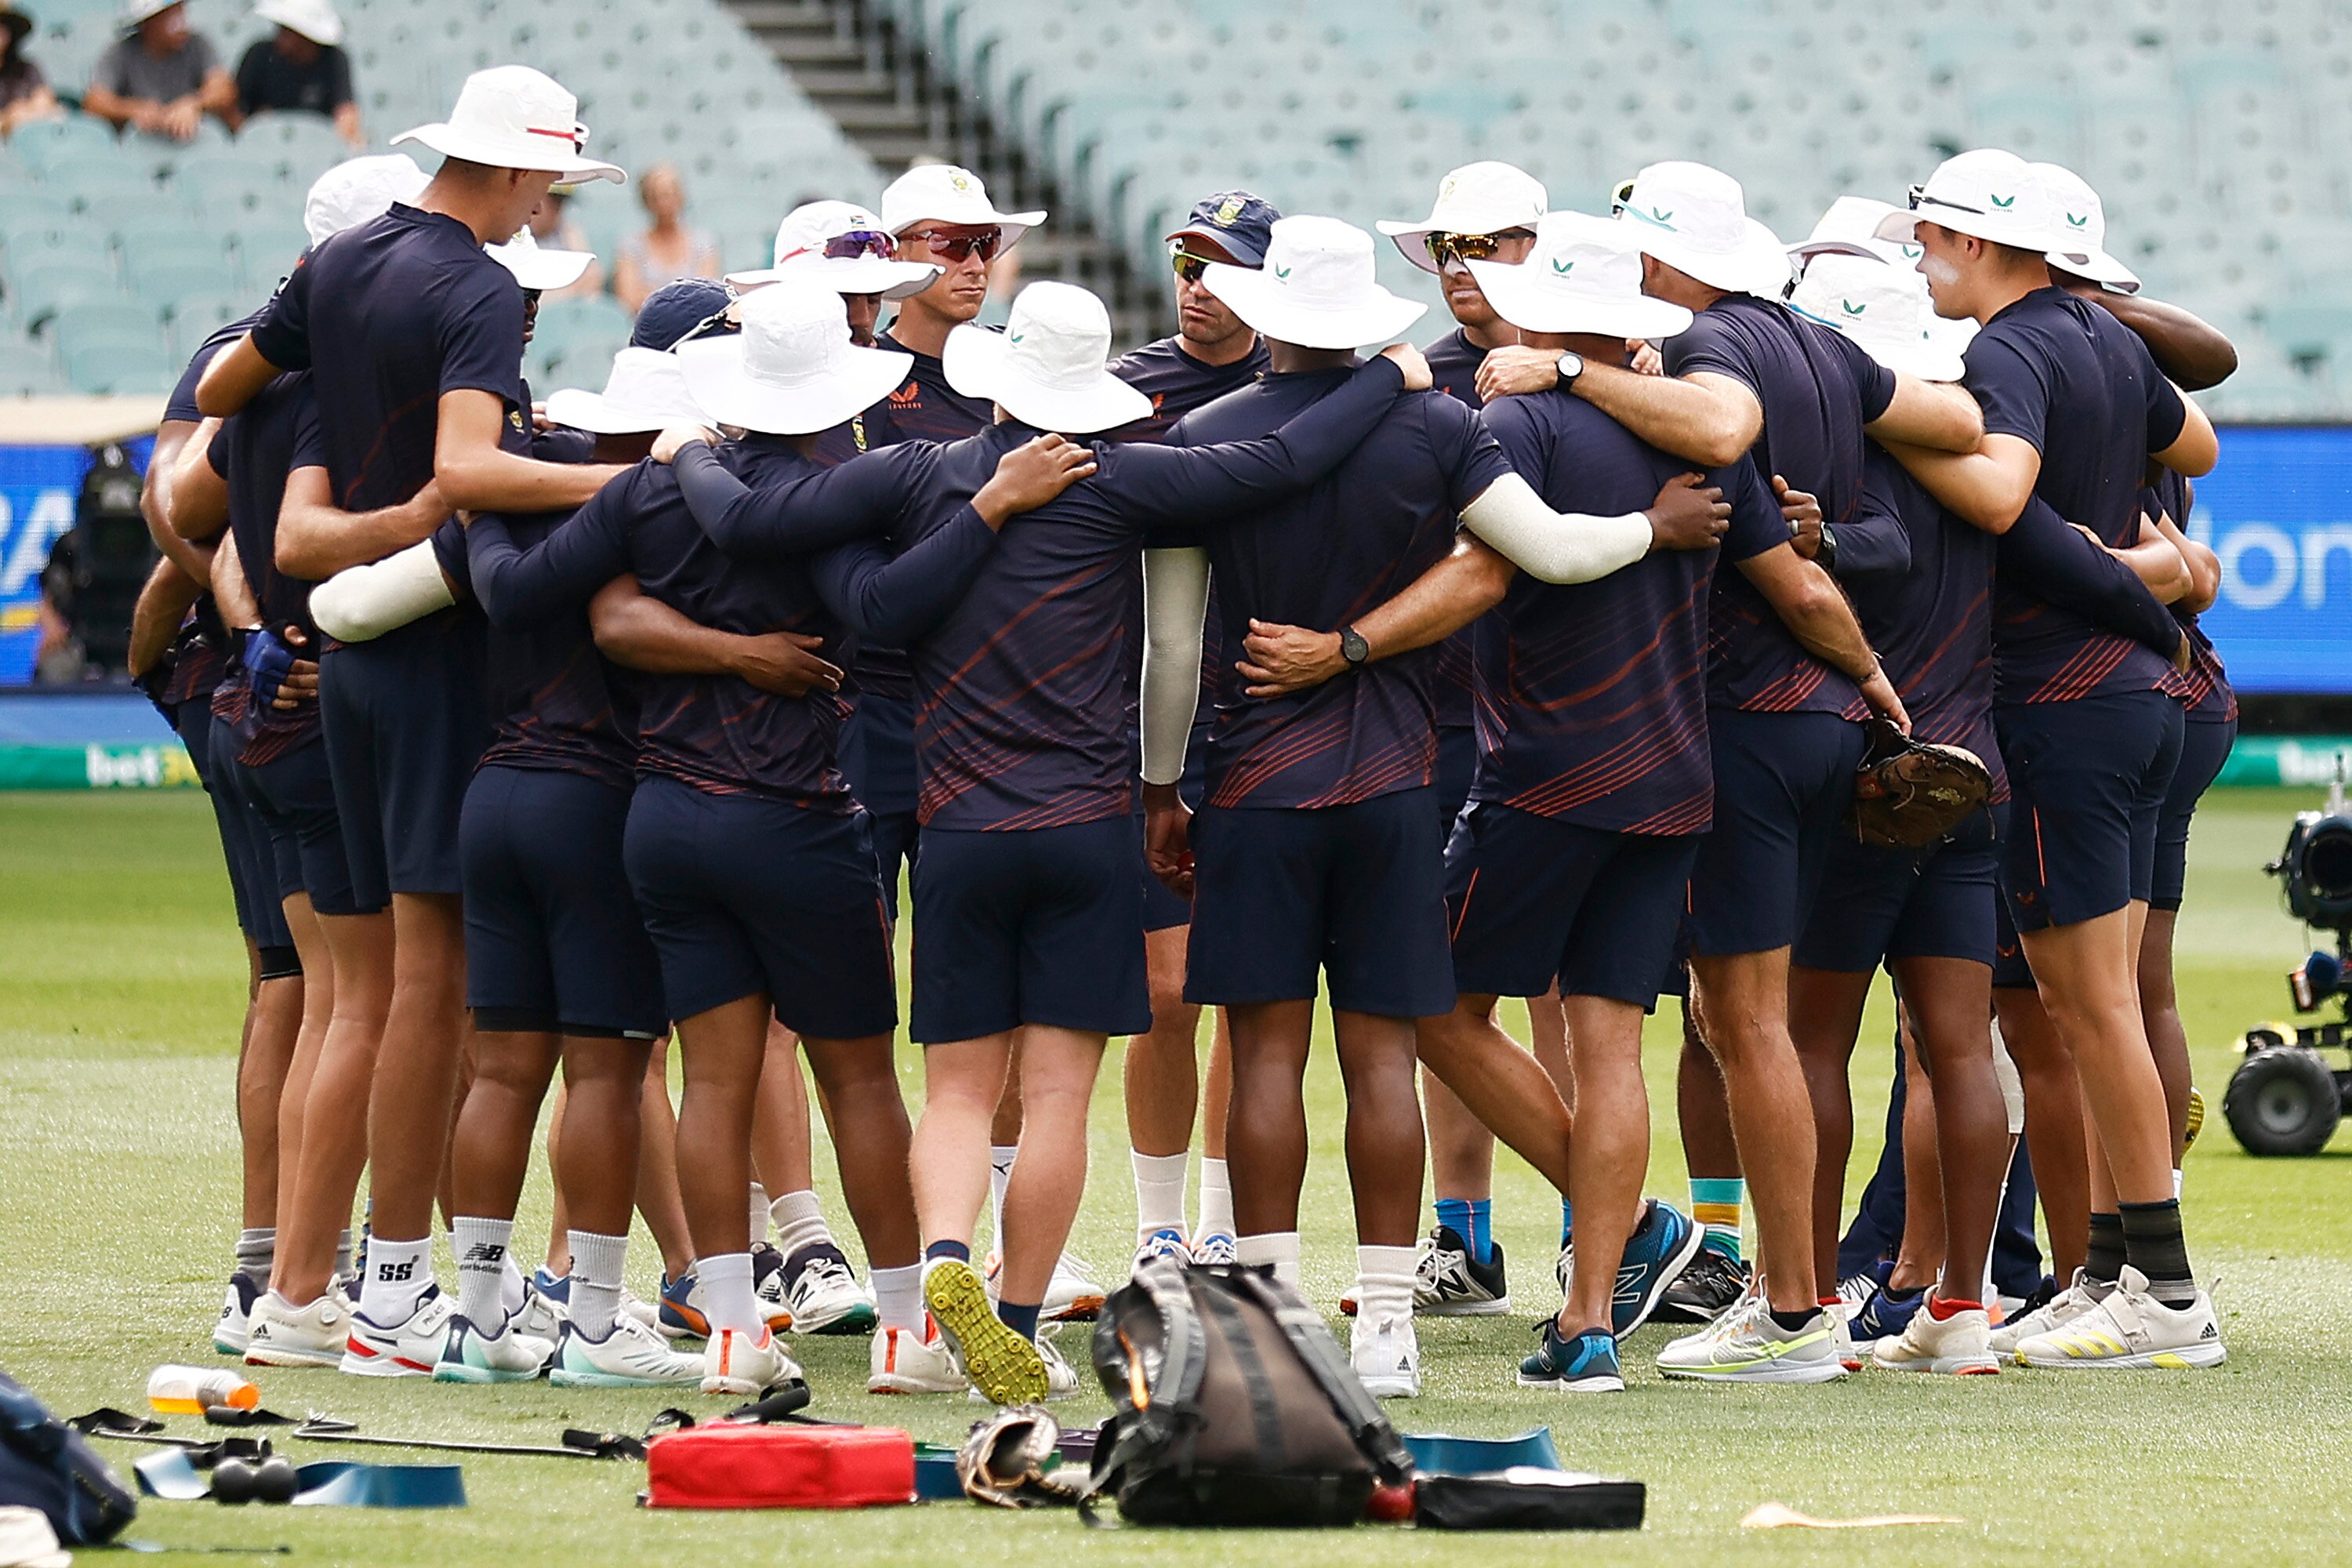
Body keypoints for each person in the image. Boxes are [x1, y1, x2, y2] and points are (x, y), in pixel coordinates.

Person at [665, 278, 1422, 1403]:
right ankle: (1017, 1321)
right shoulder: (1119, 481)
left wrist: (691, 448)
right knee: (1060, 1096)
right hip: (1083, 827)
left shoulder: (916, 476)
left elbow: (769, 527)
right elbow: (1280, 464)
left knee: (963, 1094)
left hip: (961, 825)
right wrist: (1383, 376)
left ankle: (944, 1277)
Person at [470, 280, 1094, 1398]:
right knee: (858, 1080)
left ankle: (732, 1337)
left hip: (663, 814)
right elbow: (887, 602)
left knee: (711, 1085)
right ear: (835, 397)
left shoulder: (652, 491)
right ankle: (906, 1335)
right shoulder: (840, 496)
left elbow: (528, 600)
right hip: (798, 815)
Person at [1138, 216, 1719, 1398]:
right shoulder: (1439, 427)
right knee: (1382, 1060)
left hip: (1253, 780)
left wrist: (1161, 789)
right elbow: (1536, 556)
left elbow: (1171, 650)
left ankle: (1270, 1311)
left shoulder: (1201, 437)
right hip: (1396, 780)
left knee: (1261, 1057)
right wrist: (1651, 528)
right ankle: (1388, 1330)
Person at [1477, 162, 1978, 1381]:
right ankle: (1791, 1298)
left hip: (1732, 716)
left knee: (1738, 1023)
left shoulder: (1704, 352)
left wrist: (1566, 368)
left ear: (1656, 265)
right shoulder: (1821, 342)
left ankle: (1791, 1310)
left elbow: (1735, 473)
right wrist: (1869, 684)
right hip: (1818, 715)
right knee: (1769, 1024)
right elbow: (1952, 432)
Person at [198, 67, 631, 1376]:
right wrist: (639, 472)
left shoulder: (341, 265)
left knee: (361, 998)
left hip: (351, 661)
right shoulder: (477, 285)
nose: (545, 203)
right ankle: (391, 1297)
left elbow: (224, 393)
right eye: (548, 181)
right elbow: (468, 470)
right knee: (425, 994)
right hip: (437, 655)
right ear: (511, 171)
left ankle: (299, 1292)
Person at [1875, 151, 2223, 1369]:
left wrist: (1890, 422)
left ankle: (2165, 1296)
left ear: (1983, 244)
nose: (1921, 259)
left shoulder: (2010, 348)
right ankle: (2116, 1268)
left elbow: (2001, 488)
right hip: (2137, 699)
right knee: (2104, 1000)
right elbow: (2204, 449)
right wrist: (2153, 572)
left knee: (2093, 1008)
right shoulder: (2114, 341)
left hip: (2064, 703)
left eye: (1931, 237)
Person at [1370, 158, 1559, 1319]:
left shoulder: (1614, 372)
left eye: (1486, 245)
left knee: (1575, 999)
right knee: (1447, 996)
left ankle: (1605, 1233)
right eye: (1445, 249)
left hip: (1559, 727)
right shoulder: (1407, 385)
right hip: (1433, 723)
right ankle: (1464, 1239)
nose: (1460, 269)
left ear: (1540, 247)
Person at [1109, 188, 1279, 1276]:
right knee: (1164, 992)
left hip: (1267, 713)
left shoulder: (1309, 386)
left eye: (1221, 267)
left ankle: (1224, 1220)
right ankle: (1157, 1224)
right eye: (1186, 264)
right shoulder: (1124, 389)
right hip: (1141, 723)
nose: (1197, 288)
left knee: (1240, 984)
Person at [85, 0, 234, 143]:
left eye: (181, 12)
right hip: (140, 149)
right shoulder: (120, 52)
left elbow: (223, 90)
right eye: (173, 15)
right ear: (150, 22)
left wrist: (193, 104)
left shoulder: (198, 44)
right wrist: (133, 109)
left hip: (190, 142)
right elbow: (95, 102)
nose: (182, 23)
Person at [234, 0, 359, 146]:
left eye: (287, 30)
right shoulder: (259, 55)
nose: (279, 33)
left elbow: (345, 112)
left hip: (316, 149)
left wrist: (348, 136)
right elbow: (237, 112)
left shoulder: (334, 59)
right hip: (264, 148)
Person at [614, 162, 720, 314]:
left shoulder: (703, 242)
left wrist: (653, 295)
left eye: (670, 194)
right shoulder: (631, 245)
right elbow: (629, 298)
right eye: (656, 196)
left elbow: (708, 294)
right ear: (646, 200)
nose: (664, 203)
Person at [0, 5, 61, 136]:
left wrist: (20, 113)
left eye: (2, 26)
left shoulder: (27, 69)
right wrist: (8, 117)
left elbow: (46, 104)